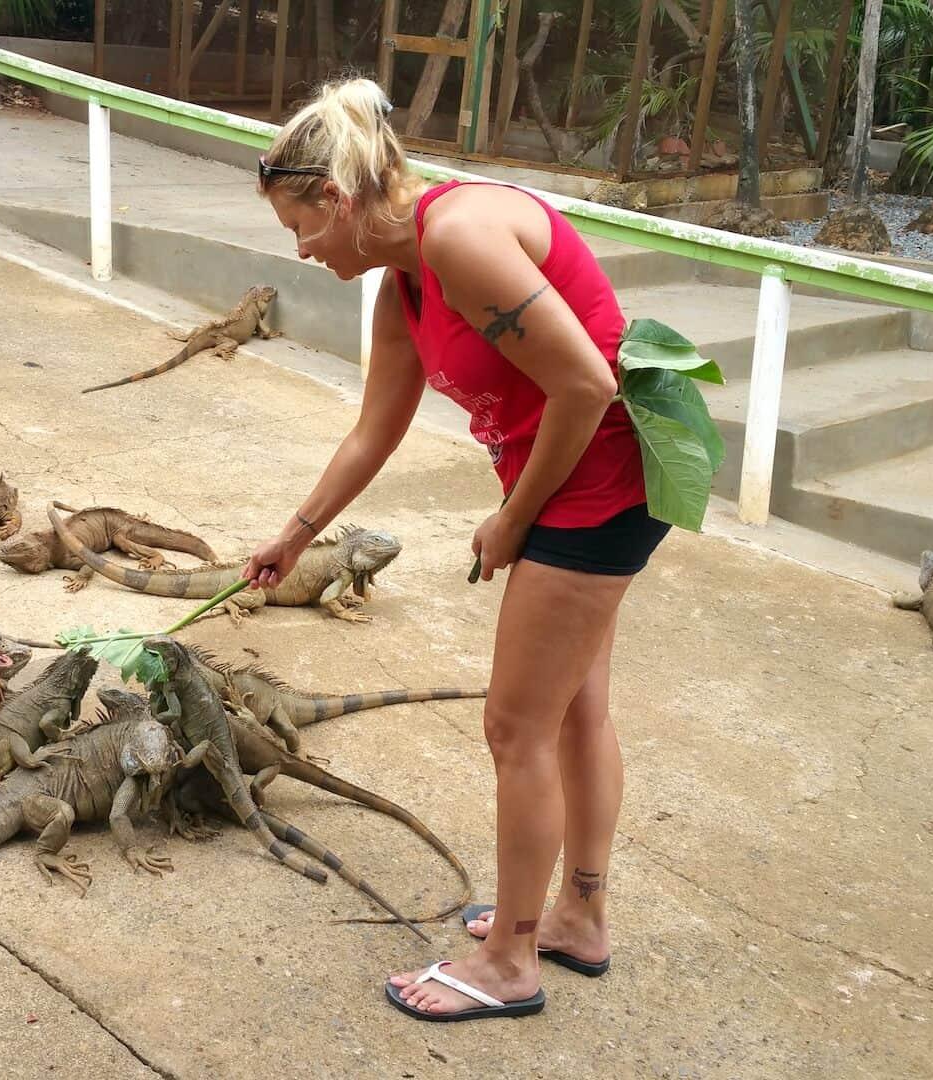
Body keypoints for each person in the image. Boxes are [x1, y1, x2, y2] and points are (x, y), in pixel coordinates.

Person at [241, 78, 671, 1022]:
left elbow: (587, 385)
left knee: (516, 727)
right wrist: (294, 536)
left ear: (339, 201)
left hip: (597, 488)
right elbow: (374, 432)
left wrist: (514, 517)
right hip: (569, 482)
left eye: (298, 227)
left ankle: (510, 962)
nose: (301, 252)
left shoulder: (458, 238)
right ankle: (576, 921)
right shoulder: (402, 278)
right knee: (574, 711)